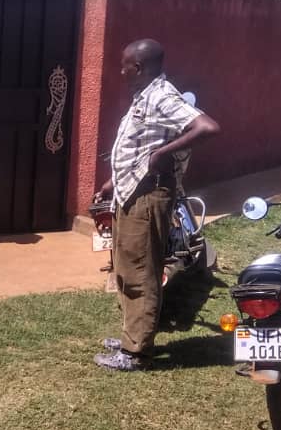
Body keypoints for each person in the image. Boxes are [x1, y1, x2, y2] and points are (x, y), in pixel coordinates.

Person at [92, 38, 220, 371]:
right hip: (131, 191)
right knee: (125, 267)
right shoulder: (145, 96)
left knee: (140, 270)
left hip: (148, 196)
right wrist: (112, 183)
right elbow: (138, 146)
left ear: (138, 67)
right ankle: (131, 336)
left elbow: (207, 127)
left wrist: (163, 153)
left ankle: (136, 353)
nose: (121, 71)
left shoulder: (162, 96)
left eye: (124, 66)